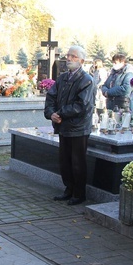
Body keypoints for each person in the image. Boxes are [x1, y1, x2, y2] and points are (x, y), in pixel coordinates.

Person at [44, 45, 95, 206]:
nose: (69, 58)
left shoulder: (86, 80)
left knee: (77, 162)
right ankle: (69, 189)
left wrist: (60, 113)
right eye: (68, 55)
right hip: (63, 127)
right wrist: (51, 113)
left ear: (82, 60)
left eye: (73, 56)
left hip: (78, 128)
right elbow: (51, 97)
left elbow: (82, 105)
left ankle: (79, 193)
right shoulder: (62, 78)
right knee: (65, 161)